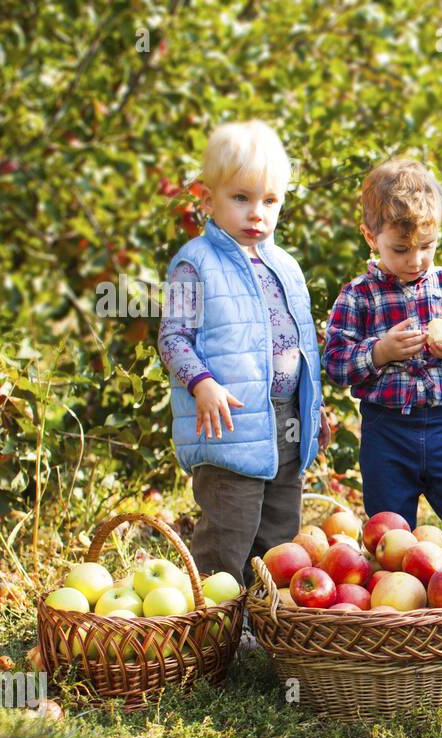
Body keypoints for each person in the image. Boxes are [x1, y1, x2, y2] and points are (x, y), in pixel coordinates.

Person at [158, 119, 330, 588]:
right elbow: (173, 338)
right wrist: (202, 383)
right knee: (229, 532)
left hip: (285, 421)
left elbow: (302, 347)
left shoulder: (286, 267)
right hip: (228, 423)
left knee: (279, 535)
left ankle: (264, 625)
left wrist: (312, 408)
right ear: (208, 199)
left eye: (269, 201)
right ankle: (215, 629)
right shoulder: (196, 263)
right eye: (241, 198)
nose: (257, 212)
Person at [323, 158, 442, 555]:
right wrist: (378, 352)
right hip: (386, 433)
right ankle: (398, 612)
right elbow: (334, 361)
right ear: (370, 237)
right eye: (401, 249)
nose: (416, 259)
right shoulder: (359, 295)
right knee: (388, 536)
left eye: (426, 246)